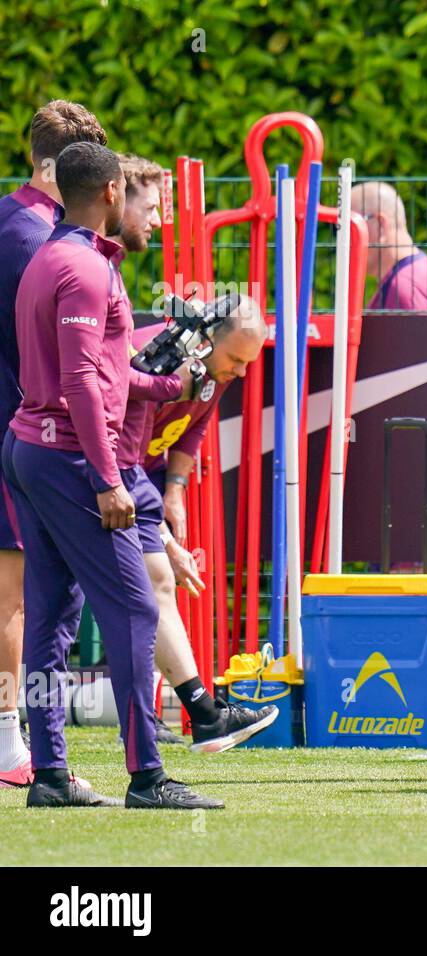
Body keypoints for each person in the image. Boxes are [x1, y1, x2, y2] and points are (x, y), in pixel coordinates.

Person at [6, 142, 221, 809]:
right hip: (71, 459)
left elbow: (102, 370)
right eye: (134, 194)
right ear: (109, 192)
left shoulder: (50, 256)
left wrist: (167, 383)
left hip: (27, 448)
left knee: (48, 618)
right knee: (133, 611)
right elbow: (79, 383)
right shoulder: (87, 269)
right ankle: (148, 778)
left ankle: (48, 775)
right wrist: (108, 479)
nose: (145, 212)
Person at [114, 154, 278, 752]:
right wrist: (164, 536)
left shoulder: (209, 376)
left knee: (143, 591)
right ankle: (198, 716)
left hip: (127, 478)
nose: (238, 372)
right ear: (205, 339)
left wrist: (176, 491)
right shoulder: (151, 365)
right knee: (135, 587)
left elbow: (191, 435)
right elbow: (121, 455)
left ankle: (195, 716)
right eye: (235, 359)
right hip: (96, 472)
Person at [0, 100, 107, 789]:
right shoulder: (31, 235)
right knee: (15, 593)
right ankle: (11, 744)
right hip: (20, 428)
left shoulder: (21, 223)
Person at [354, 181, 427, 311]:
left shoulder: (403, 287)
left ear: (380, 226)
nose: (344, 241)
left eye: (351, 227)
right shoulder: (415, 272)